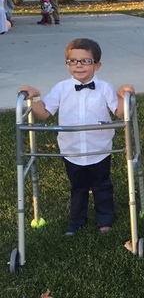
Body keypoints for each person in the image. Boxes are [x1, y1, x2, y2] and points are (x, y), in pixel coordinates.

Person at [19, 38, 134, 236]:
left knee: (102, 185)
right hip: (71, 150)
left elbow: (120, 113)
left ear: (97, 65)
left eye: (85, 61)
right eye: (73, 61)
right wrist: (35, 98)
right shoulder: (61, 88)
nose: (78, 65)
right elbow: (44, 113)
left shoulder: (104, 87)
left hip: (100, 149)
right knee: (78, 187)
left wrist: (124, 95)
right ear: (68, 64)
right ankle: (76, 221)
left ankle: (105, 220)